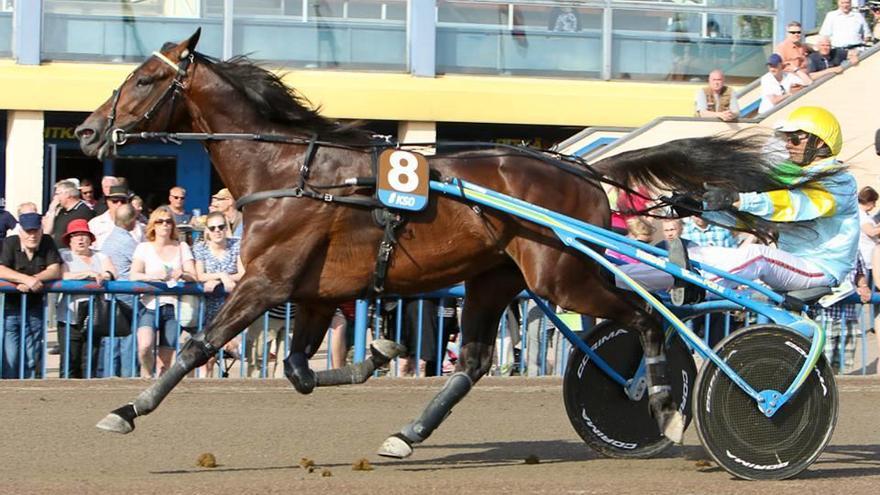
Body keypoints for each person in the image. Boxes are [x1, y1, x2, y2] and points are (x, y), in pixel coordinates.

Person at [620, 107, 858, 296]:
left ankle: (690, 285)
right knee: (698, 253)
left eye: (795, 139)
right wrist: (701, 208)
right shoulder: (796, 175)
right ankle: (616, 278)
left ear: (819, 143)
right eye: (787, 139)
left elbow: (795, 205)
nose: (788, 145)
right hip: (795, 262)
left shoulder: (839, 181)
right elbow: (755, 217)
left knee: (758, 256)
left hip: (821, 269)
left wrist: (738, 200)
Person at [130, 206, 197, 377]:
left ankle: (156, 389)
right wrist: (153, 276)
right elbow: (133, 274)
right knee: (144, 345)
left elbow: (194, 275)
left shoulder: (182, 247)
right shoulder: (143, 247)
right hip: (149, 304)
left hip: (173, 306)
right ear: (153, 225)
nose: (164, 225)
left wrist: (183, 273)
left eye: (168, 221)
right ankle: (145, 375)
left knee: (164, 362)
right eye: (160, 221)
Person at [0, 212, 61, 378]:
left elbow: (55, 269)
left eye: (35, 230)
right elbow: (1, 269)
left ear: (41, 230)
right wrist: (25, 279)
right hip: (11, 310)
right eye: (28, 231)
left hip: (35, 309)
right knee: (10, 358)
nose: (32, 235)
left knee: (31, 358)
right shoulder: (10, 243)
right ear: (21, 231)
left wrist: (34, 279)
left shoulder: (48, 242)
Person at [56, 219, 117, 378]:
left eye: (84, 235)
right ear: (69, 240)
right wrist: (88, 274)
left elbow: (112, 273)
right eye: (76, 235)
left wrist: (104, 275)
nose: (81, 239)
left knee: (90, 362)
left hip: (94, 317)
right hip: (70, 317)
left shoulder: (100, 256)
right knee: (69, 363)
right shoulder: (64, 255)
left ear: (91, 238)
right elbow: (62, 275)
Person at [193, 212, 244, 377]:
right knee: (206, 356)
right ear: (207, 230)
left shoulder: (236, 245)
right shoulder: (200, 248)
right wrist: (222, 276)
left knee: (230, 348)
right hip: (206, 307)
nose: (217, 231)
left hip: (230, 307)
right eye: (213, 227)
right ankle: (203, 385)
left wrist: (222, 279)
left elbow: (242, 273)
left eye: (221, 226)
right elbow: (200, 275)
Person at [96, 204, 140, 378]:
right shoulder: (128, 242)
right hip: (128, 298)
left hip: (112, 297)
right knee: (128, 341)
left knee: (112, 341)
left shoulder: (108, 239)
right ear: (131, 220)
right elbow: (140, 262)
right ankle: (128, 378)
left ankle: (108, 377)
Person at [42, 179, 95, 249]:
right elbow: (47, 232)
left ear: (68, 195)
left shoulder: (82, 212)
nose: (55, 197)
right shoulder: (61, 211)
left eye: (58, 194)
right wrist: (52, 210)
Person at [88, 185, 132, 250]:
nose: (119, 204)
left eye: (123, 201)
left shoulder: (136, 225)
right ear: (108, 202)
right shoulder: (95, 224)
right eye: (115, 201)